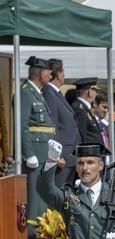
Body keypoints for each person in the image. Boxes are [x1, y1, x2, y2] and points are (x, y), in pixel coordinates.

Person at [20, 56, 55, 229]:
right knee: (35, 197)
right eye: (49, 72)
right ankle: (32, 237)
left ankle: (41, 233)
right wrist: (29, 153)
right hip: (35, 153)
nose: (51, 76)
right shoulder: (25, 92)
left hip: (44, 153)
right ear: (41, 73)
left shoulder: (37, 93)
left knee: (42, 196)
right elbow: (21, 125)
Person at [42, 58, 79, 187]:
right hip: (62, 158)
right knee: (59, 197)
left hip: (70, 156)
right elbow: (52, 126)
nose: (64, 75)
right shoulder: (49, 94)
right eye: (63, 71)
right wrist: (58, 156)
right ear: (57, 74)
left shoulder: (56, 94)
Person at [72, 77, 104, 147]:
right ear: (89, 92)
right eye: (95, 90)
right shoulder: (80, 109)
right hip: (89, 153)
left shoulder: (84, 108)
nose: (96, 94)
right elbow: (82, 135)